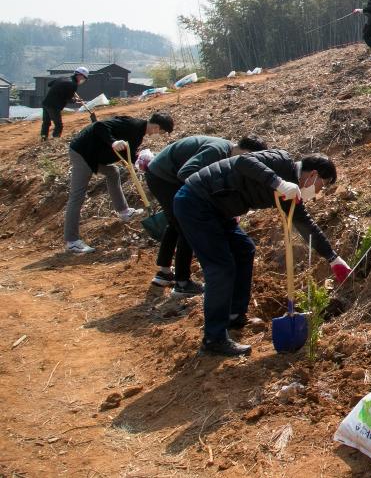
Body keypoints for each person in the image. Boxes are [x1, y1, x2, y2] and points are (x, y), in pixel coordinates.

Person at [173, 150, 351, 357]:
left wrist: (332, 257)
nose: (320, 191)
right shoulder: (280, 161)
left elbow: (305, 225)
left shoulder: (291, 192)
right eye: (323, 184)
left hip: (218, 209)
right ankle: (214, 338)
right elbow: (244, 161)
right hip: (195, 202)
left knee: (244, 249)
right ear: (312, 175)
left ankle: (234, 315)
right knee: (220, 267)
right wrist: (278, 182)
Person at [145, 134, 267, 296]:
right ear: (244, 152)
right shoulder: (216, 151)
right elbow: (186, 173)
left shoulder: (228, 153)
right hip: (163, 176)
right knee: (186, 225)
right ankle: (182, 283)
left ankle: (164, 273)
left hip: (166, 174)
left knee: (175, 223)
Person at [63, 111, 174, 254]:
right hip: (83, 152)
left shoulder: (138, 134)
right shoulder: (132, 125)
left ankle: (124, 212)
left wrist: (145, 162)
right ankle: (72, 241)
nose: (160, 134)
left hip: (94, 155)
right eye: (163, 132)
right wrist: (113, 142)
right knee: (77, 196)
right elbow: (99, 126)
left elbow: (127, 155)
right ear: (157, 128)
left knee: (113, 172)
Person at [41, 66, 88, 140]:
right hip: (54, 106)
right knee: (59, 125)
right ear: (80, 76)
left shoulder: (63, 78)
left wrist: (62, 88)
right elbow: (68, 99)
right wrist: (75, 100)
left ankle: (43, 138)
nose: (83, 80)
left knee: (46, 122)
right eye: (84, 78)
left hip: (46, 103)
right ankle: (55, 141)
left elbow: (49, 84)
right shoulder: (73, 85)